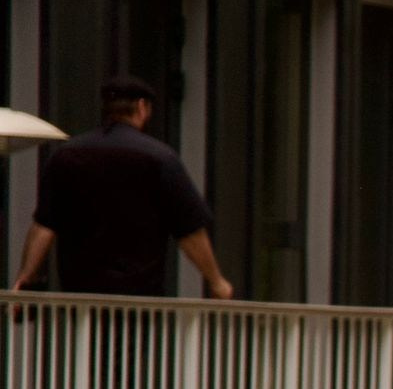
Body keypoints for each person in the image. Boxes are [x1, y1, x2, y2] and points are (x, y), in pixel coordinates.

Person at [11, 76, 232, 298]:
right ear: (142, 107)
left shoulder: (67, 155)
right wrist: (216, 281)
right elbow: (189, 230)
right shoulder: (159, 158)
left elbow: (44, 225)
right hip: (138, 297)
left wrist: (26, 276)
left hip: (80, 295)